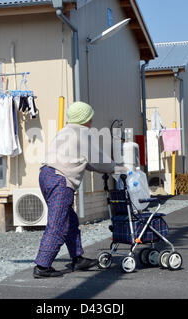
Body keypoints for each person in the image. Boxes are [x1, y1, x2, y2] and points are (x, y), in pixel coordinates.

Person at [34, 101, 126, 278]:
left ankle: (78, 258)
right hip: (60, 180)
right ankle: (42, 266)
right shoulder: (82, 132)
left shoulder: (66, 130)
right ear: (85, 118)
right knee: (58, 223)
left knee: (69, 221)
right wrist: (118, 168)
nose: (92, 120)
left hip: (46, 175)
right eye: (90, 116)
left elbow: (86, 161)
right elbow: (97, 160)